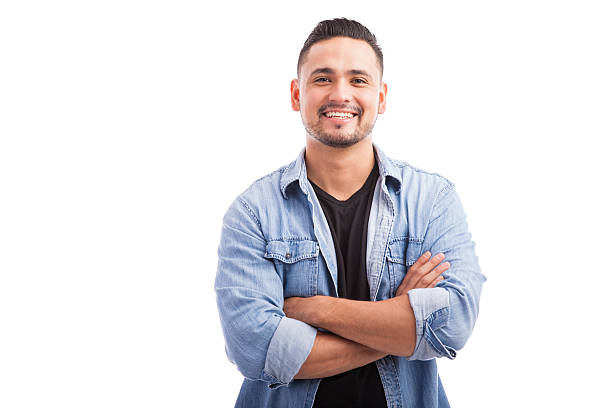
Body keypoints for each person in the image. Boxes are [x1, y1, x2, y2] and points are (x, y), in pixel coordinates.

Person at [215, 17, 486, 408]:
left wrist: (313, 309)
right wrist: (398, 323)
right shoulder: (253, 213)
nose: (340, 94)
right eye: (322, 79)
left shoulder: (432, 200)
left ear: (382, 96)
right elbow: (256, 350)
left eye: (358, 80)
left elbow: (452, 324)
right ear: (296, 94)